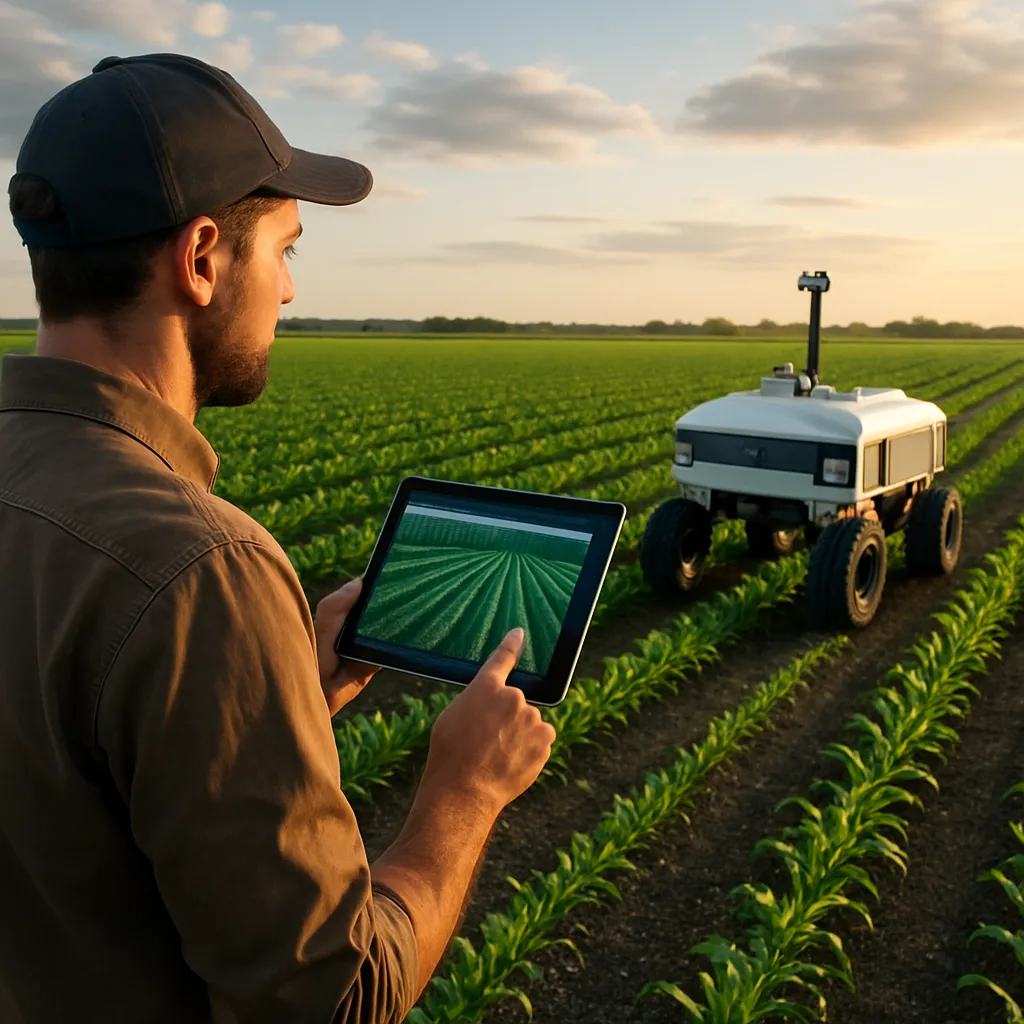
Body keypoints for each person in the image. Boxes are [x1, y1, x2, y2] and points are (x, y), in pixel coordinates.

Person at [0, 53, 556, 1024]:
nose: (290, 292)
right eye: (287, 249)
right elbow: (332, 999)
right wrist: (460, 798)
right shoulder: (201, 569)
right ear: (204, 257)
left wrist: (274, 691)